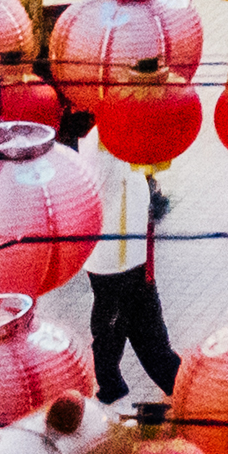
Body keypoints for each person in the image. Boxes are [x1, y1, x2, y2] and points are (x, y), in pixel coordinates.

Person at [69, 113, 180, 401]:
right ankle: (112, 388)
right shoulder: (105, 139)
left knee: (146, 332)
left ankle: (174, 383)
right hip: (113, 261)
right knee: (114, 331)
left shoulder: (125, 135)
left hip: (134, 257)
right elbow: (91, 193)